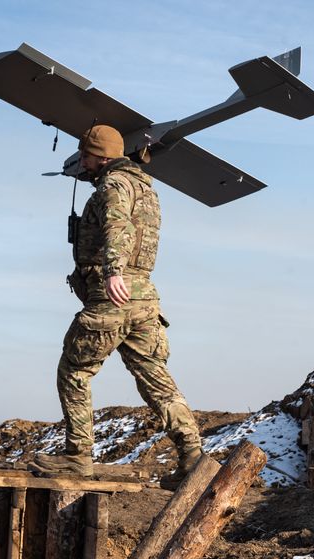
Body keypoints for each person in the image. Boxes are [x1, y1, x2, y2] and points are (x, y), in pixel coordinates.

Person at [28, 125, 204, 483]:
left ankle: (78, 457)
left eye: (87, 156)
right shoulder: (147, 190)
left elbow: (117, 225)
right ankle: (193, 457)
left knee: (74, 371)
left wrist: (112, 272)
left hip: (113, 296)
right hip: (144, 300)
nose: (83, 162)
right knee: (155, 378)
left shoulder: (114, 186)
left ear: (102, 157)